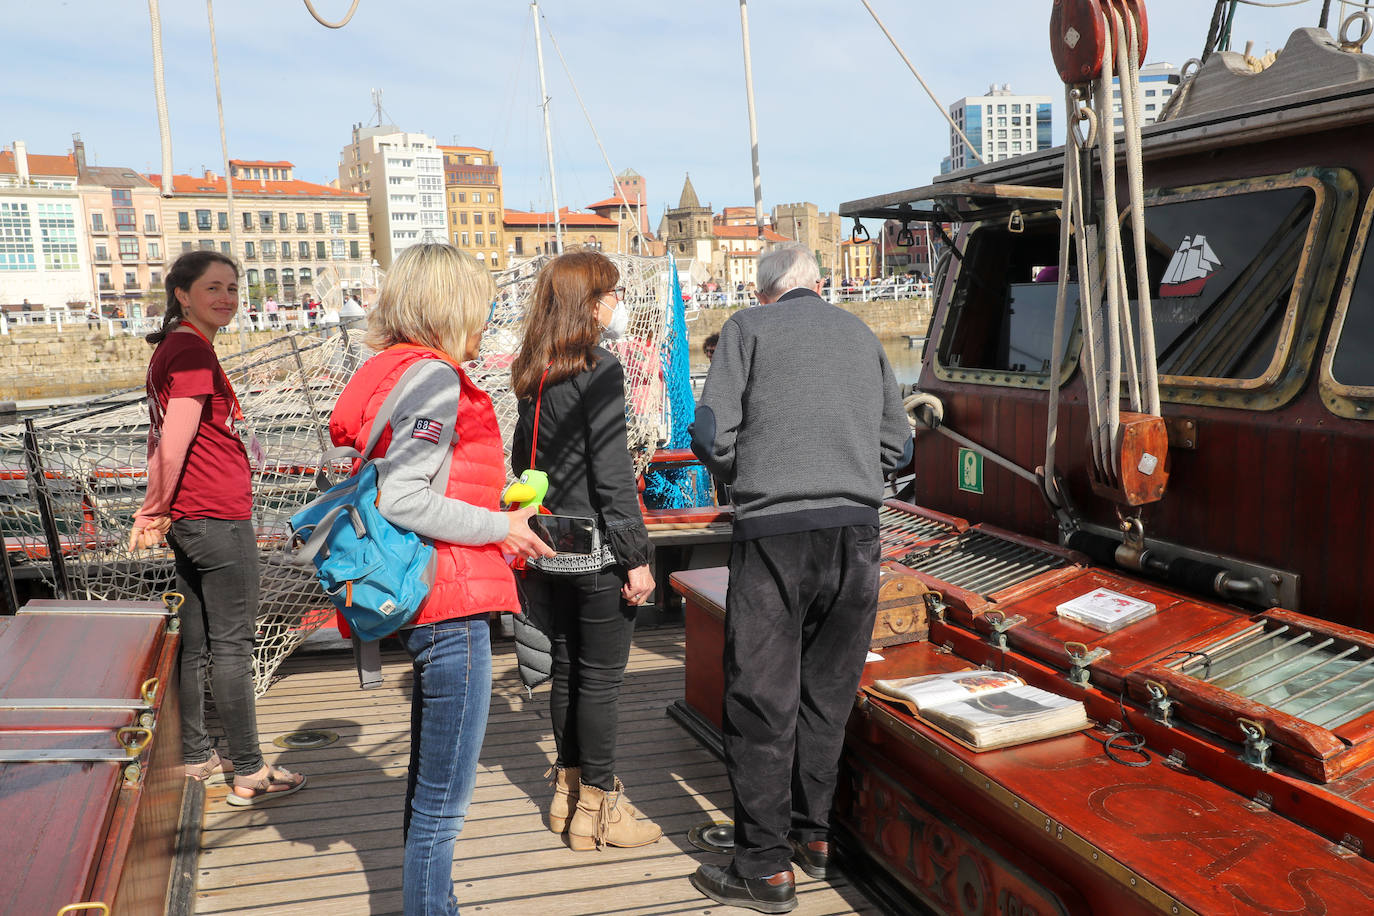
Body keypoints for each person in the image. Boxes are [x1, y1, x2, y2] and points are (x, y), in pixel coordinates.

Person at [328, 243, 552, 915]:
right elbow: (403, 496)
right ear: (449, 306)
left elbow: (424, 477)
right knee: (443, 808)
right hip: (449, 602)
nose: (486, 318)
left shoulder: (390, 371)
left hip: (428, 596)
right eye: (480, 304)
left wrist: (499, 496)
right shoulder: (435, 379)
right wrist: (502, 528)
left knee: (430, 791)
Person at [688, 241, 911, 913]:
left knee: (762, 696)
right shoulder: (862, 334)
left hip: (775, 535)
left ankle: (762, 866)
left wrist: (748, 475)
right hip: (857, 534)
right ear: (818, 284)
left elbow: (708, 434)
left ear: (765, 292)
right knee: (827, 690)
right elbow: (898, 446)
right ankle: (813, 840)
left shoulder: (747, 329)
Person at [129, 250, 307, 807]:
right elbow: (176, 438)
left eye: (233, 287)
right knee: (234, 646)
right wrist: (153, 507)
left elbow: (166, 437)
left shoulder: (177, 348)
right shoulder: (190, 354)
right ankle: (250, 771)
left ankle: (198, 753)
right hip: (215, 517)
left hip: (193, 516)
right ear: (182, 294)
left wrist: (162, 508)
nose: (227, 297)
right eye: (214, 287)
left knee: (198, 643)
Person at [508, 249, 661, 852]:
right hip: (597, 551)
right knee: (601, 681)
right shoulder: (600, 370)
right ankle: (599, 808)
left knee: (567, 669)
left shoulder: (532, 368)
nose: (618, 303)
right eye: (612, 294)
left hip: (548, 546)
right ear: (590, 303)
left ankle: (565, 797)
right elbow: (613, 474)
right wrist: (638, 556)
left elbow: (523, 463)